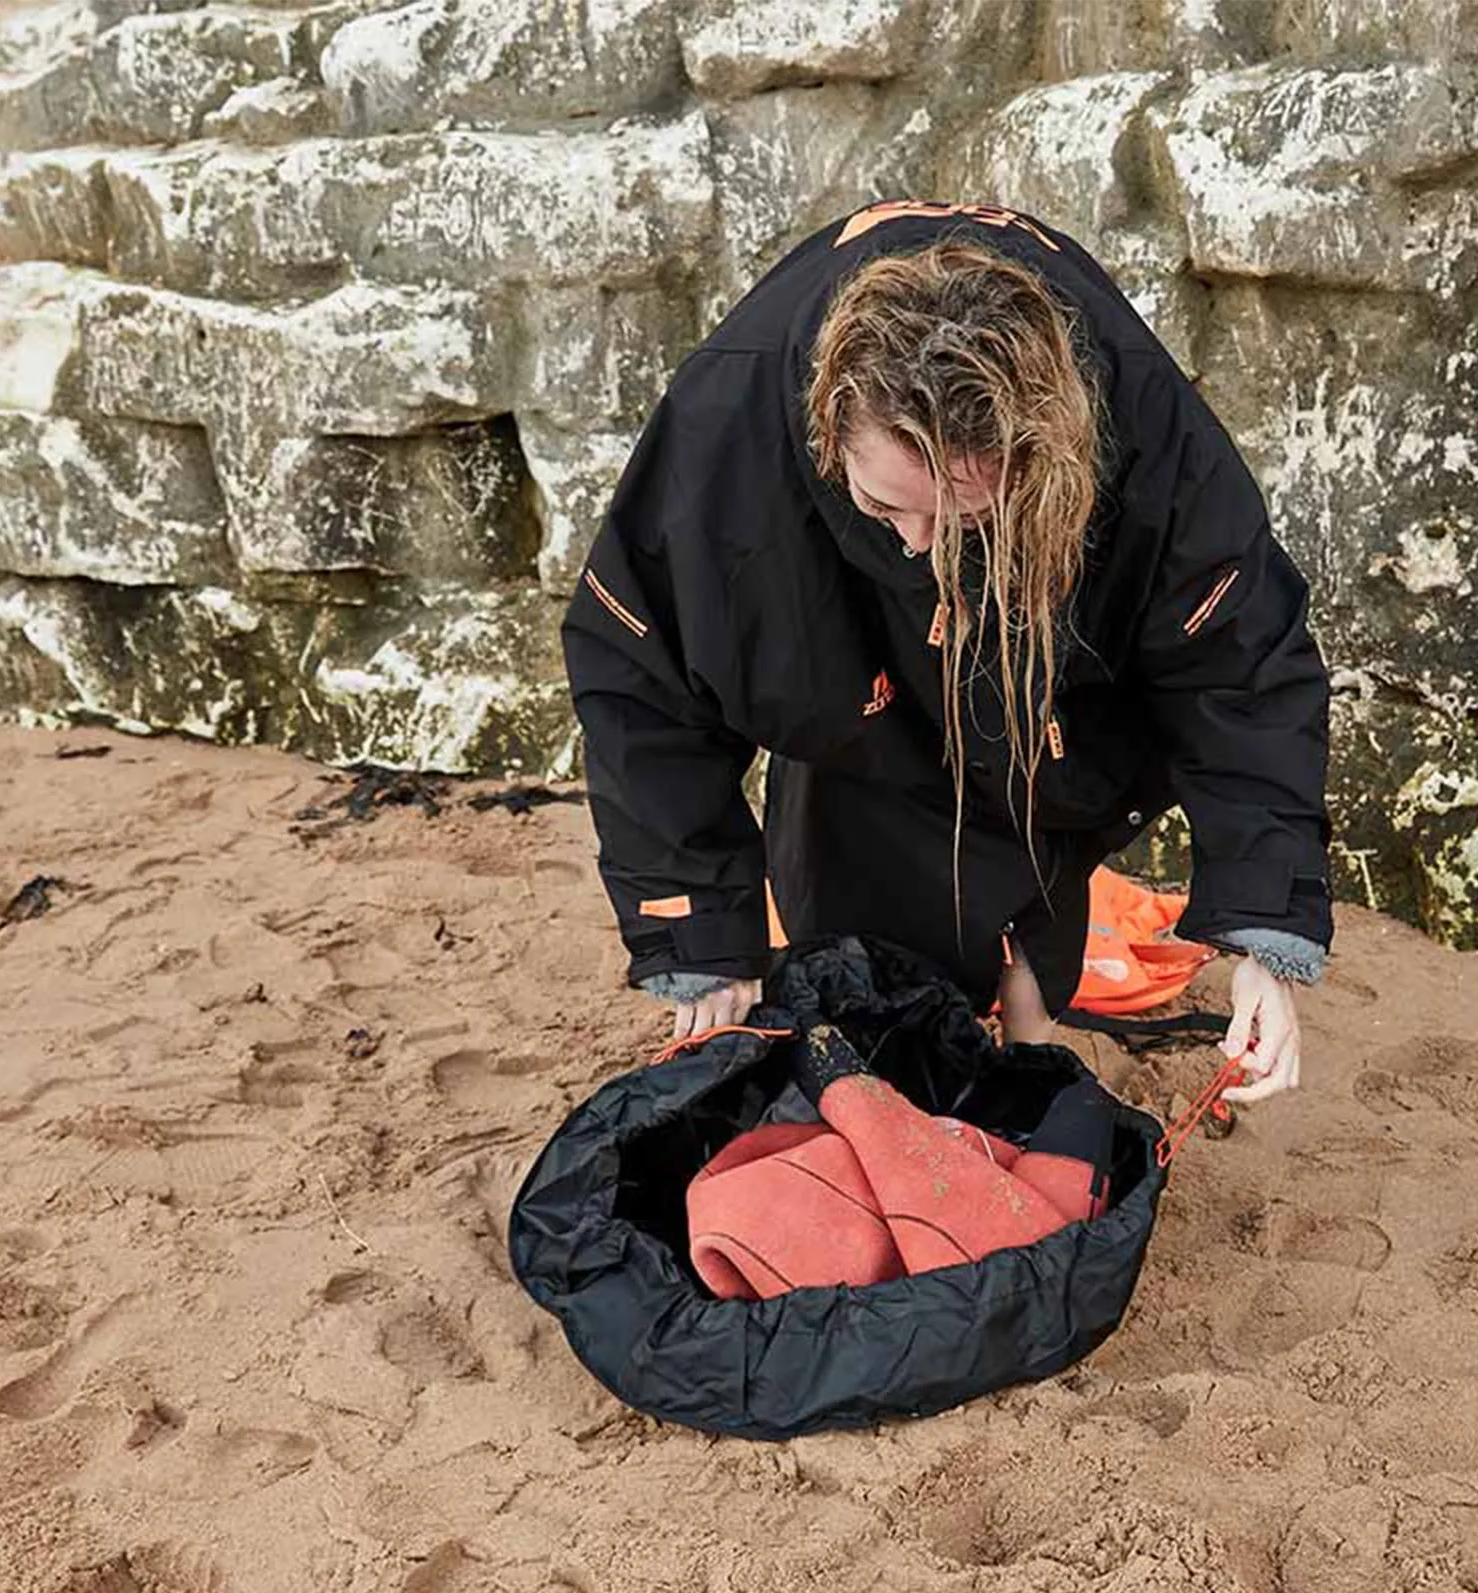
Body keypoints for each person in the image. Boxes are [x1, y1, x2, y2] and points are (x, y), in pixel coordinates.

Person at [562, 200, 1331, 1106]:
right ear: (830, 422)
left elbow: (1240, 669)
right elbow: (639, 669)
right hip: (849, 679)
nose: (921, 545)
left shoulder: (1145, 430)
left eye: (961, 513)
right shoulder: (726, 427)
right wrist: (699, 943)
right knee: (856, 900)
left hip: (1050, 667)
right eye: (888, 506)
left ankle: (1031, 1018)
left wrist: (1262, 938)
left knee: (1040, 777)